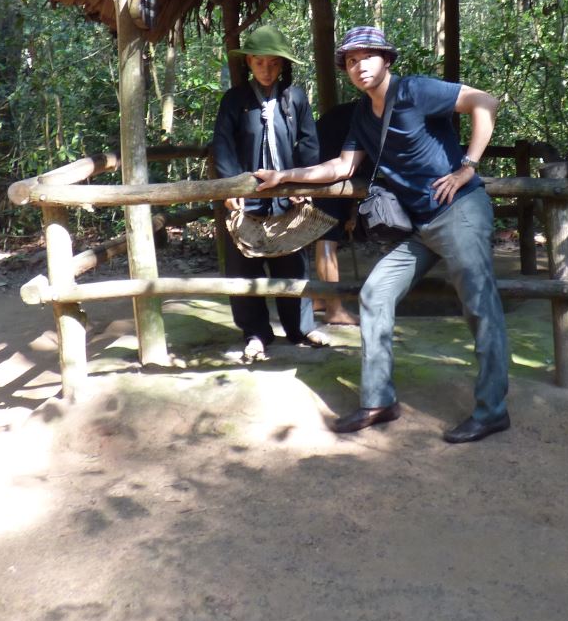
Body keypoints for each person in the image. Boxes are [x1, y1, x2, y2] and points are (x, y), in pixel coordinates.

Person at [253, 26, 510, 443]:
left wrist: (468, 166)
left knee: (480, 304)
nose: (359, 66)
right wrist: (285, 175)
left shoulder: (415, 91)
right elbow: (340, 168)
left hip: (460, 212)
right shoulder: (361, 115)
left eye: (366, 57)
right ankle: (378, 401)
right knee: (375, 293)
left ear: (386, 60)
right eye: (351, 61)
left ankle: (492, 410)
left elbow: (485, 101)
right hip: (420, 227)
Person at [211, 25, 326, 361]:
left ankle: (300, 328)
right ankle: (255, 333)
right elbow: (222, 144)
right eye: (259, 63)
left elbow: (308, 143)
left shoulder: (296, 98)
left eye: (273, 64)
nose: (266, 70)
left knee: (293, 263)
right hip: (245, 198)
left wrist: (303, 186)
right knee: (243, 267)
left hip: (286, 195)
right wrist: (230, 186)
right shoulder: (234, 100)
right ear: (249, 62)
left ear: (282, 64)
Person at [311, 100, 362, 327]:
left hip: (328, 174)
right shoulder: (369, 114)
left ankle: (319, 298)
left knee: (327, 236)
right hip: (322, 176)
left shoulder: (355, 111)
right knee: (327, 239)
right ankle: (334, 309)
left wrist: (352, 210)